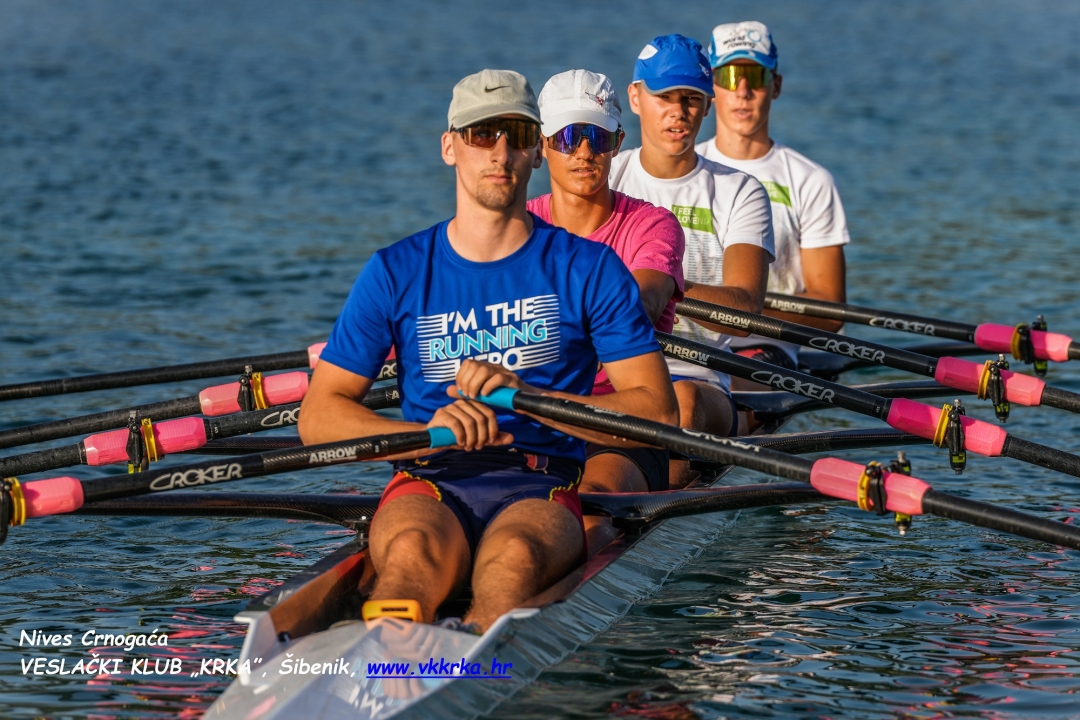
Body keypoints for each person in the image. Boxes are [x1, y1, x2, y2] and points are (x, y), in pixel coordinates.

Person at [298, 69, 677, 632]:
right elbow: (319, 415)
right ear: (450, 146)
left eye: (517, 136)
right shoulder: (394, 271)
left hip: (541, 481)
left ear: (535, 153)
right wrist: (428, 434)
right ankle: (391, 668)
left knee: (515, 562)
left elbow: (659, 412)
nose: (500, 152)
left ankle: (473, 667)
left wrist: (530, 400)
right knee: (407, 559)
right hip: (429, 476)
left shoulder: (589, 269)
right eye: (481, 134)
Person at [527, 69, 685, 553]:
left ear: (617, 141)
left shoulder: (651, 226)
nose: (584, 152)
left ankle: (556, 601)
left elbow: (640, 304)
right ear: (541, 146)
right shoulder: (514, 226)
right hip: (526, 417)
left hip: (618, 424)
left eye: (597, 137)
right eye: (569, 137)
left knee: (588, 502)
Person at [608, 34, 775, 483]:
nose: (678, 113)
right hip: (611, 373)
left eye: (691, 99)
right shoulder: (606, 175)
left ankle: (656, 515)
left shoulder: (740, 191)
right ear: (636, 97)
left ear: (706, 105)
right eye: (665, 97)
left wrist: (656, 285)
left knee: (681, 403)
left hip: (700, 375)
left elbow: (742, 312)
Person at [699, 21, 849, 377]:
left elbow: (830, 310)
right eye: (732, 76)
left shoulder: (810, 181)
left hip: (766, 344)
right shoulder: (684, 169)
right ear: (712, 87)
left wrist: (741, 311)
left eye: (757, 76)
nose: (744, 91)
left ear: (776, 86)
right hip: (685, 337)